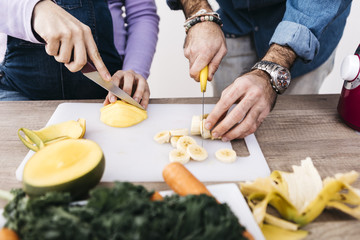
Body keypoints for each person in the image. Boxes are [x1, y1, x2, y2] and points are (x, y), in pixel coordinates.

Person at [167, 0, 352, 140]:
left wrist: (273, 68)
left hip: (307, 22)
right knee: (229, 117)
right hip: (233, 21)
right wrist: (199, 12)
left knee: (288, 133)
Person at [0, 0, 159, 109]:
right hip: (17, 91)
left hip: (109, 93)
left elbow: (141, 14)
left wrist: (134, 70)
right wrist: (33, 9)